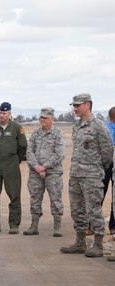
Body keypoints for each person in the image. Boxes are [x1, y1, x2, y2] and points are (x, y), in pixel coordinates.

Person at [60, 94, 114, 257]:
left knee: (93, 210)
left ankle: (98, 244)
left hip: (91, 176)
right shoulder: (76, 126)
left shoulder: (99, 126)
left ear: (88, 105)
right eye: (74, 106)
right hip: (75, 175)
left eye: (78, 105)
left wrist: (95, 168)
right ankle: (80, 242)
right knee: (77, 210)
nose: (75, 108)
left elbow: (107, 152)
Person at [0, 102, 27, 234]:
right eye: (0, 113)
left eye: (4, 113)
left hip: (11, 163)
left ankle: (14, 225)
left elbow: (23, 146)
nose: (2, 115)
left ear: (9, 114)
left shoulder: (17, 128)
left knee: (14, 194)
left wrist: (15, 160)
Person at [24, 107, 66, 237]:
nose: (42, 120)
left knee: (55, 198)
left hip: (53, 173)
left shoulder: (58, 134)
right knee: (35, 198)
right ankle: (34, 225)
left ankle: (57, 226)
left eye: (45, 118)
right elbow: (29, 151)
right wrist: (37, 167)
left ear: (52, 118)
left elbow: (60, 154)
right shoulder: (36, 134)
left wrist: (45, 167)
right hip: (35, 172)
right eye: (41, 117)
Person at [102, 106, 115, 235]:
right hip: (107, 164)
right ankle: (112, 226)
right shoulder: (106, 129)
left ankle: (113, 225)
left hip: (106, 164)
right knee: (101, 194)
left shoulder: (104, 127)